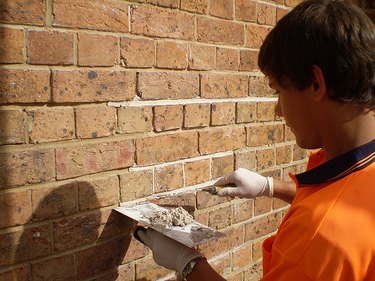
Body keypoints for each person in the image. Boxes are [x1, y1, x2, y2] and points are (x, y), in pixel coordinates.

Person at [137, 0, 375, 279]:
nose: (277, 110)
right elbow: (347, 199)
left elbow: (334, 216)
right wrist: (270, 187)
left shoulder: (318, 238)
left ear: (315, 83)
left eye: (278, 91)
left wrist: (188, 263)